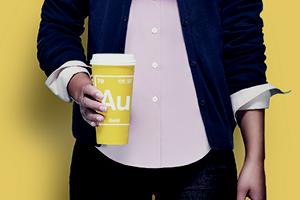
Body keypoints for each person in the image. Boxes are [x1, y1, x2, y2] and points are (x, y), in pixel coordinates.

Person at [37, 0, 288, 199]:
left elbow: (244, 48)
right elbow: (56, 27)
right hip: (104, 154)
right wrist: (79, 85)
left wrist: (255, 158)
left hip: (202, 157)